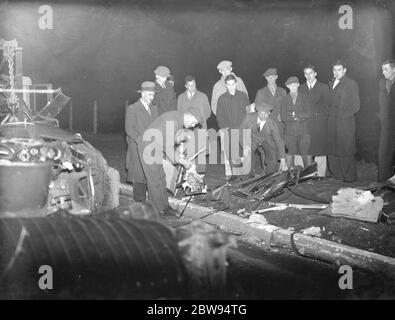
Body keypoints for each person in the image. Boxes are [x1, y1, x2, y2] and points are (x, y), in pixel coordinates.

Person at [136, 109, 202, 216]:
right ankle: (157, 210)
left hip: (156, 147)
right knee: (154, 180)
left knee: (161, 178)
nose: (193, 125)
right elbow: (168, 148)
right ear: (188, 115)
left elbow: (169, 138)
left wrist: (178, 141)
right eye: (194, 122)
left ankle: (165, 207)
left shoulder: (177, 118)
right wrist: (183, 162)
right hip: (147, 147)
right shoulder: (174, 121)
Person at [125, 81, 159, 202]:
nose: (152, 97)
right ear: (143, 94)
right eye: (150, 95)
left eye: (153, 95)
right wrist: (143, 142)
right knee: (139, 177)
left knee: (150, 177)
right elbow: (129, 129)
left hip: (151, 148)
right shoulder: (133, 108)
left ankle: (151, 205)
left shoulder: (154, 109)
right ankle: (140, 206)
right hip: (138, 148)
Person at [327, 60, 360, 182]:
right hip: (332, 122)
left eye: (339, 70)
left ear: (345, 70)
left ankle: (349, 177)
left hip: (344, 123)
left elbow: (356, 106)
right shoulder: (331, 83)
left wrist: (342, 115)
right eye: (334, 70)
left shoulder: (351, 83)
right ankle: (337, 175)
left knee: (346, 149)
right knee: (334, 149)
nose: (336, 72)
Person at [239, 102, 288, 176]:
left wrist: (283, 160)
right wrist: (245, 146)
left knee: (272, 158)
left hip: (266, 140)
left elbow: (279, 141)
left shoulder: (272, 124)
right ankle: (248, 177)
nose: (263, 116)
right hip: (252, 139)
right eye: (261, 113)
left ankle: (269, 175)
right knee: (248, 161)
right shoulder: (249, 118)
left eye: (265, 114)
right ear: (257, 112)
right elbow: (241, 132)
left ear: (269, 113)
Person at [299, 64, 330, 177]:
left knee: (320, 149)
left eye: (311, 73)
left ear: (315, 73)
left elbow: (328, 106)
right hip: (305, 124)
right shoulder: (300, 88)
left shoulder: (323, 87)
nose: (309, 76)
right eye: (306, 73)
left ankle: (320, 174)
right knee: (307, 148)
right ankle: (307, 174)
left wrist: (321, 117)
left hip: (319, 123)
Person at [177, 75, 211, 172]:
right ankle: (189, 177)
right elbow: (179, 114)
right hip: (187, 131)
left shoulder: (202, 96)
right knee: (188, 154)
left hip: (200, 129)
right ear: (185, 86)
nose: (192, 88)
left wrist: (198, 121)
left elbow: (208, 112)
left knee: (200, 154)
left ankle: (200, 176)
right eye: (189, 85)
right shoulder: (181, 97)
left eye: (194, 85)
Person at [281, 76, 312, 169]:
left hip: (304, 130)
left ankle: (308, 174)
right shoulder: (285, 99)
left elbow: (308, 113)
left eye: (295, 85)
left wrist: (296, 115)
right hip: (290, 131)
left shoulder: (304, 97)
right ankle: (289, 175)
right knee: (290, 152)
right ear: (288, 87)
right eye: (290, 86)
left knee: (306, 152)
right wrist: (296, 117)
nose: (293, 87)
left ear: (298, 85)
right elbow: (283, 116)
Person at [378, 58, 395, 181]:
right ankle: (384, 181)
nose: (383, 72)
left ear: (394, 69)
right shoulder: (381, 83)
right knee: (383, 153)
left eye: (386, 69)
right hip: (386, 124)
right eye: (382, 70)